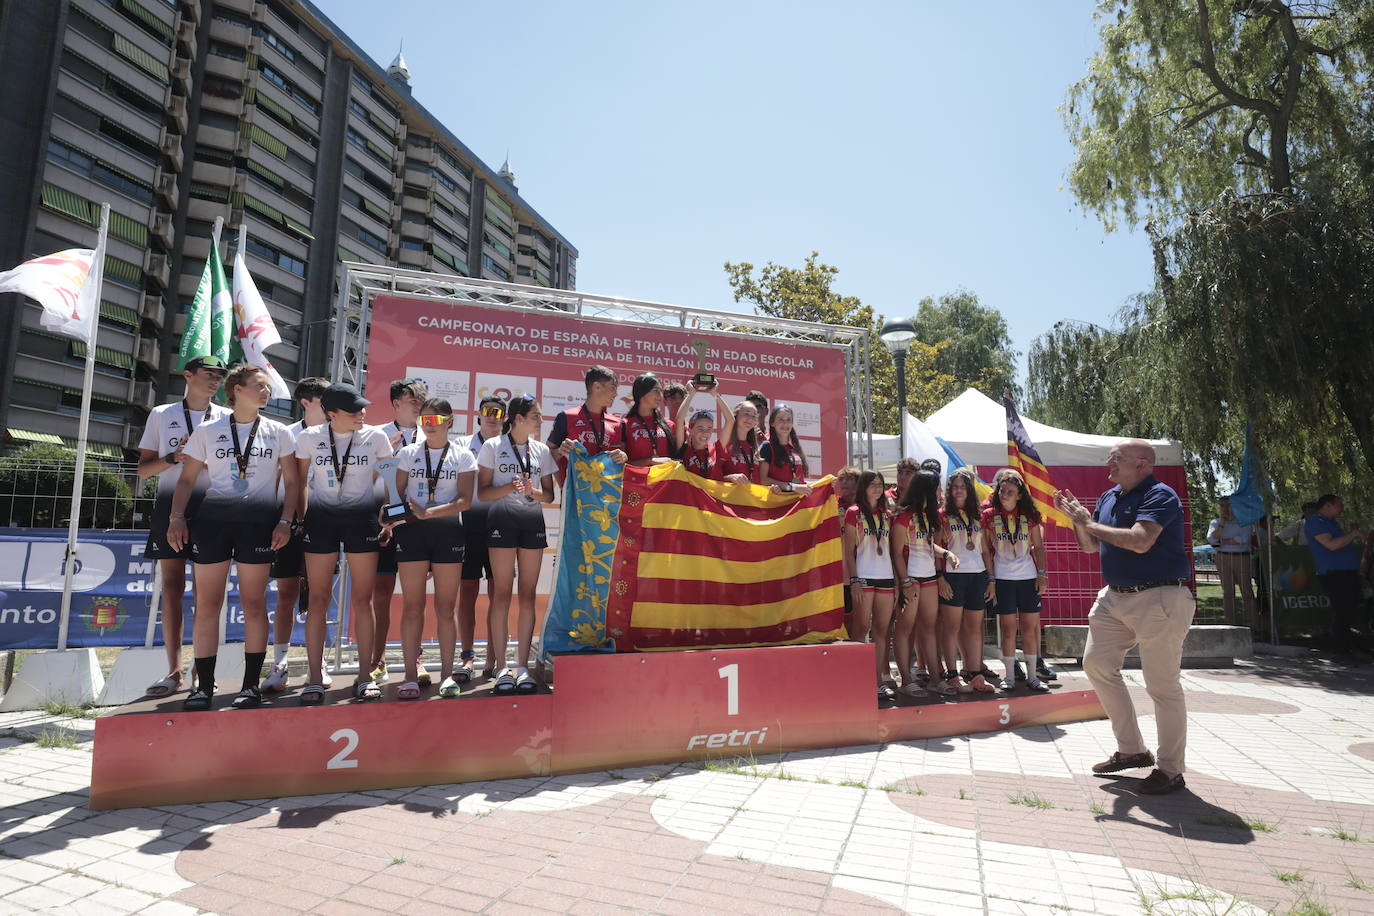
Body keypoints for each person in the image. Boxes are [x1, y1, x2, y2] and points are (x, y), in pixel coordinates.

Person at [1055, 438, 1194, 795]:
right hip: (1115, 598)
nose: (1109, 464)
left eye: (1116, 458)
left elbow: (1139, 540)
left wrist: (1090, 522)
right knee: (1097, 664)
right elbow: (1090, 545)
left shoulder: (1160, 495)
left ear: (1143, 464)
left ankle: (1170, 770)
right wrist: (1078, 522)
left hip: (1160, 596)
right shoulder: (1108, 497)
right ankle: (1132, 750)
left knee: (1162, 686)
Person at [166, 365, 299, 710]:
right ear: (237, 389)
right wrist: (177, 517)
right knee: (207, 605)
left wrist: (286, 521)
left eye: (268, 387)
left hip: (258, 524)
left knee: (254, 604)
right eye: (259, 386)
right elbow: (186, 479)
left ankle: (250, 686)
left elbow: (295, 483)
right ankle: (203, 687)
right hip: (213, 522)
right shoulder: (209, 431)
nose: (266, 392)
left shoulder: (279, 432)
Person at [136, 355, 230, 696]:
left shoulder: (227, 418)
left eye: (219, 376)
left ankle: (202, 672)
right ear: (187, 376)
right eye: (208, 374)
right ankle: (173, 671)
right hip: (168, 506)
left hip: (213, 507)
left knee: (209, 596)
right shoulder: (162, 414)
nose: (215, 381)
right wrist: (175, 457)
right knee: (172, 588)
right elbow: (143, 470)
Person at [295, 383, 394, 704]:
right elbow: (299, 482)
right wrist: (299, 519)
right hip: (321, 521)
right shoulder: (309, 437)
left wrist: (389, 516)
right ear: (331, 414)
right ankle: (313, 677)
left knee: (362, 599)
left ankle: (365, 676)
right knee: (319, 598)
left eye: (363, 408)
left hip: (361, 520)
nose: (362, 414)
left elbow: (390, 479)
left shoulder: (376, 437)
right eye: (354, 410)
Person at [387, 398, 476, 699]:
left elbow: (465, 501)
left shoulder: (463, 456)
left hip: (448, 532)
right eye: (424, 419)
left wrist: (431, 513)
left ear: (449, 421)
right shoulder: (408, 453)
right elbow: (395, 494)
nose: (429, 425)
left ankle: (447, 675)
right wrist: (387, 515)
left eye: (435, 420)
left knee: (445, 608)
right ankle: (410, 676)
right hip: (412, 533)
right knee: (412, 606)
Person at [477, 394, 558, 693]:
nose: (540, 420)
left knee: (527, 595)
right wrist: (508, 487)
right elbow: (483, 493)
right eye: (535, 415)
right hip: (500, 522)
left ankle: (522, 665)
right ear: (519, 418)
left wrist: (531, 491)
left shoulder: (541, 451)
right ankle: (501, 668)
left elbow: (549, 496)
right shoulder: (492, 446)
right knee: (501, 594)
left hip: (531, 524)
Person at [261, 377, 328, 694]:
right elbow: (279, 482)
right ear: (306, 403)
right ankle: (280, 664)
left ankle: (319, 662)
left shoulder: (340, 434)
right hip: (289, 522)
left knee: (319, 596)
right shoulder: (286, 434)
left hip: (325, 520)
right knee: (286, 594)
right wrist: (285, 521)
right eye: (324, 399)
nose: (332, 406)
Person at [372, 378, 429, 685]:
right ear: (395, 402)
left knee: (414, 597)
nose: (418, 404)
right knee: (380, 594)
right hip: (384, 519)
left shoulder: (431, 435)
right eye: (412, 399)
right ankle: (377, 660)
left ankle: (414, 659)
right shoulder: (377, 434)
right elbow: (361, 478)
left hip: (417, 522)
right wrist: (384, 457)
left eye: (421, 399)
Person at [891, 470, 960, 698]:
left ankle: (935, 679)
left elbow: (928, 546)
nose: (940, 493)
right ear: (926, 490)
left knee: (929, 629)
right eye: (937, 488)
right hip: (911, 579)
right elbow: (896, 552)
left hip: (929, 577)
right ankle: (906, 680)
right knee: (904, 628)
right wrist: (906, 581)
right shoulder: (904, 515)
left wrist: (947, 553)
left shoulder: (929, 514)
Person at [985, 469, 1049, 692]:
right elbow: (985, 550)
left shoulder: (1030, 516)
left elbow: (1039, 547)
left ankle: (1033, 676)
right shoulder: (989, 515)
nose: (1005, 494)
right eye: (1002, 490)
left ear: (1020, 495)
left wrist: (1042, 575)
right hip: (1003, 579)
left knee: (1030, 629)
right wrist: (991, 579)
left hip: (1028, 577)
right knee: (1008, 628)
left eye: (1010, 492)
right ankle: (1010, 676)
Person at [456, 395, 506, 681]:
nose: (492, 417)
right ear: (479, 414)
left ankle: (494, 657)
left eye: (498, 413)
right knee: (467, 593)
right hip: (469, 524)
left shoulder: (511, 447)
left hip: (502, 523)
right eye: (487, 411)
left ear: (505, 418)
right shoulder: (462, 445)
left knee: (498, 595)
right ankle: (467, 657)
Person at [937, 468, 996, 694]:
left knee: (974, 628)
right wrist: (940, 576)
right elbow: (936, 547)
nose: (959, 490)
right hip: (953, 576)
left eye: (963, 486)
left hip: (978, 575)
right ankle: (952, 674)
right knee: (951, 627)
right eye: (955, 487)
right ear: (949, 490)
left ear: (969, 490)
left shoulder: (978, 516)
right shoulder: (942, 514)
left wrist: (991, 579)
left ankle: (975, 674)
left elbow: (984, 551)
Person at [843, 471, 898, 701]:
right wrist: (854, 580)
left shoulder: (887, 514)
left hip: (885, 577)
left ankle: (877, 681)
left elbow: (893, 551)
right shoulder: (853, 513)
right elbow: (848, 551)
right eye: (872, 484)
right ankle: (857, 680)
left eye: (880, 484)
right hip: (863, 576)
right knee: (861, 628)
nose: (877, 488)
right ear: (864, 487)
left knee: (882, 632)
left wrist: (896, 583)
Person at [1305, 494, 1364, 650]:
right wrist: (1353, 534)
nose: (1342, 508)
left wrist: (1350, 533)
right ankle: (1340, 649)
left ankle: (1348, 644)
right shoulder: (1315, 522)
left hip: (1347, 572)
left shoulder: (1332, 523)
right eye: (1339, 505)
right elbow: (1331, 545)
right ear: (1327, 505)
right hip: (1333, 574)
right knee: (1343, 610)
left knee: (1351, 609)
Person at [548, 365, 627, 481]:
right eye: (612, 388)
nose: (616, 394)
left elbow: (618, 463)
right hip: (574, 493)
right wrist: (560, 451)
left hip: (604, 492)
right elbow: (546, 456)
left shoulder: (617, 424)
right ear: (597, 387)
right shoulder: (567, 417)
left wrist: (623, 457)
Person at [1207, 497, 1257, 630]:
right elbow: (1212, 540)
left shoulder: (1244, 522)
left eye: (1228, 505)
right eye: (1222, 505)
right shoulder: (1215, 522)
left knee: (1246, 590)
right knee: (1228, 592)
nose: (1225, 508)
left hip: (1241, 557)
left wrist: (1222, 542)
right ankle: (1230, 624)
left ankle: (1251, 623)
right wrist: (1222, 524)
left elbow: (1244, 539)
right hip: (1222, 557)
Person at [623, 373, 690, 466]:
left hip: (664, 479)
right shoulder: (624, 425)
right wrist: (649, 461)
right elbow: (619, 465)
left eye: (660, 391)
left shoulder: (669, 425)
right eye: (656, 391)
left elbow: (679, 457)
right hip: (635, 479)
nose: (660, 395)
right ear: (642, 392)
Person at [760, 405, 813, 496]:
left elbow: (799, 482)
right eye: (781, 419)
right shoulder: (767, 447)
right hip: (778, 504)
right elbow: (763, 480)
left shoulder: (794, 449)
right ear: (772, 423)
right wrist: (792, 487)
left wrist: (823, 483)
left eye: (789, 420)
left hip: (796, 503)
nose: (785, 424)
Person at [714, 398, 764, 485]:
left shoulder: (755, 447)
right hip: (729, 497)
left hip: (750, 497)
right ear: (736, 415)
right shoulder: (725, 442)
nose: (750, 419)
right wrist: (730, 478)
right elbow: (712, 476)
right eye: (746, 414)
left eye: (753, 416)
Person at [677, 410, 722, 479]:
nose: (705, 433)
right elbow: (679, 419)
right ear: (690, 430)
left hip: (711, 489)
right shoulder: (684, 449)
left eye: (709, 429)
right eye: (700, 429)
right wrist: (689, 398)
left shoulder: (715, 448)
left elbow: (730, 421)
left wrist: (718, 398)